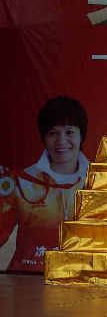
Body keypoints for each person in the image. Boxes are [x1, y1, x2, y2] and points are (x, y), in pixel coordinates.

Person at [0, 96, 90, 272]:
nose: (61, 141)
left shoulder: (98, 182)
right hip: (26, 278)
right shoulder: (21, 182)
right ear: (44, 137)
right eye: (52, 133)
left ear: (82, 136)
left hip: (81, 279)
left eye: (70, 132)